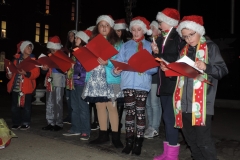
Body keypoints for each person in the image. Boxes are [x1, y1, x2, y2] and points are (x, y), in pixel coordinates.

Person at [174, 15, 228, 160]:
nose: (188, 39)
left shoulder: (210, 47)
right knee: (191, 142)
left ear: (200, 31)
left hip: (202, 106)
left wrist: (206, 67)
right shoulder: (183, 51)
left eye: (191, 34)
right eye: (185, 36)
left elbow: (222, 70)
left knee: (204, 142)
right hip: (184, 104)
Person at [113, 16, 158, 155]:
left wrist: (143, 68)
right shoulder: (126, 46)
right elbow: (118, 63)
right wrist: (116, 71)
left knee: (140, 113)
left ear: (143, 30)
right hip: (127, 84)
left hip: (142, 84)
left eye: (139, 29)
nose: (136, 32)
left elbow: (155, 68)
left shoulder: (149, 45)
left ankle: (138, 142)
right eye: (133, 30)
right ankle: (129, 142)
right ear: (130, 31)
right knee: (129, 114)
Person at [82, 15, 123, 148]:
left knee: (112, 106)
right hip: (96, 79)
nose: (104, 27)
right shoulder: (91, 42)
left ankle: (116, 137)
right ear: (97, 28)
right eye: (101, 25)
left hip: (114, 79)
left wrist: (108, 63)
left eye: (107, 25)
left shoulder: (118, 43)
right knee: (99, 106)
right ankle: (103, 135)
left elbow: (120, 62)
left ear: (111, 28)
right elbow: (87, 62)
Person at [151, 8, 186, 160]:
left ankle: (173, 155)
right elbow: (158, 57)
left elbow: (179, 57)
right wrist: (155, 51)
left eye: (160, 21)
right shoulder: (161, 37)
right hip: (163, 83)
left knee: (171, 118)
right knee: (166, 118)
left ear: (170, 22)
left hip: (173, 82)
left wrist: (160, 55)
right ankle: (167, 152)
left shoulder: (178, 36)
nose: (159, 25)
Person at [63, 29, 92, 140]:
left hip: (82, 82)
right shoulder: (74, 52)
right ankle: (76, 128)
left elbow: (86, 67)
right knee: (74, 107)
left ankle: (85, 130)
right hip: (73, 82)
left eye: (78, 38)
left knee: (83, 107)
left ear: (83, 40)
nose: (75, 39)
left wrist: (75, 66)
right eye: (75, 38)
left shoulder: (86, 52)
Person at [7, 41, 40, 130]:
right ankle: (16, 122)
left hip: (27, 87)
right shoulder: (15, 60)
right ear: (22, 49)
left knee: (27, 107)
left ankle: (25, 122)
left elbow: (36, 73)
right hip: (16, 87)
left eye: (31, 47)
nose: (30, 49)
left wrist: (26, 73)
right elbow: (10, 72)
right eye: (28, 47)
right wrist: (9, 75)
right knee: (15, 106)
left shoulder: (33, 61)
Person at [41, 36, 66, 131]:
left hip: (58, 79)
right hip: (49, 79)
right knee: (50, 102)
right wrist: (44, 68)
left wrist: (56, 64)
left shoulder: (62, 55)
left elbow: (65, 69)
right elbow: (43, 71)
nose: (52, 51)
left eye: (54, 49)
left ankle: (58, 123)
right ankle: (50, 122)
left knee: (58, 102)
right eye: (51, 49)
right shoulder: (48, 56)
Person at [144, 20, 162, 139]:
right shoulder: (147, 43)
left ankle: (155, 127)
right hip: (147, 76)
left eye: (153, 28)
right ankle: (150, 126)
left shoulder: (160, 42)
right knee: (148, 103)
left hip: (156, 77)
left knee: (155, 103)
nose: (151, 30)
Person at [63, 30, 77, 125]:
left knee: (73, 98)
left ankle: (74, 117)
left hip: (75, 76)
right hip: (67, 75)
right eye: (69, 36)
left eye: (73, 35)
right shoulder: (67, 49)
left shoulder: (77, 49)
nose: (71, 37)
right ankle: (69, 115)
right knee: (67, 97)